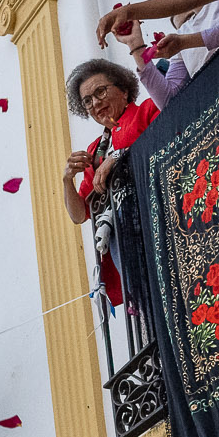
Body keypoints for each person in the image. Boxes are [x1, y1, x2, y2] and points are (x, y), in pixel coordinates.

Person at [63, 58, 160, 307]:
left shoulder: (147, 109)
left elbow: (163, 140)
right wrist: (67, 180)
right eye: (87, 101)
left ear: (124, 89)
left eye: (100, 91)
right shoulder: (95, 151)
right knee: (149, 310)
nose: (95, 103)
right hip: (124, 249)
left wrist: (117, 155)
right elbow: (79, 214)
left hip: (157, 222)